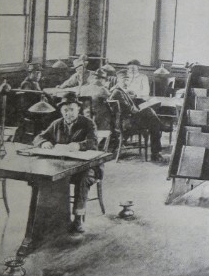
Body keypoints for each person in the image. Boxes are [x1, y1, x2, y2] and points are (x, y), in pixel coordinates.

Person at [32, 92, 99, 233]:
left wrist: (79, 146)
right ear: (61, 111)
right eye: (65, 110)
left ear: (78, 109)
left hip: (86, 166)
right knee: (44, 175)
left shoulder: (88, 123)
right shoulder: (57, 124)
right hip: (61, 166)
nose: (69, 113)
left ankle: (78, 218)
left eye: (72, 109)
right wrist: (43, 143)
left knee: (83, 178)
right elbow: (39, 137)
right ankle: (51, 216)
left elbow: (93, 142)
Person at [109, 69, 171, 162]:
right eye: (124, 80)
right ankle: (156, 152)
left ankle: (159, 131)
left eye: (127, 80)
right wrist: (139, 109)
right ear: (118, 80)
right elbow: (130, 110)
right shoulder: (118, 92)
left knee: (152, 119)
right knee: (151, 115)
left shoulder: (119, 91)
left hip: (125, 120)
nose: (126, 82)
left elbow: (128, 107)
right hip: (127, 123)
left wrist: (133, 99)